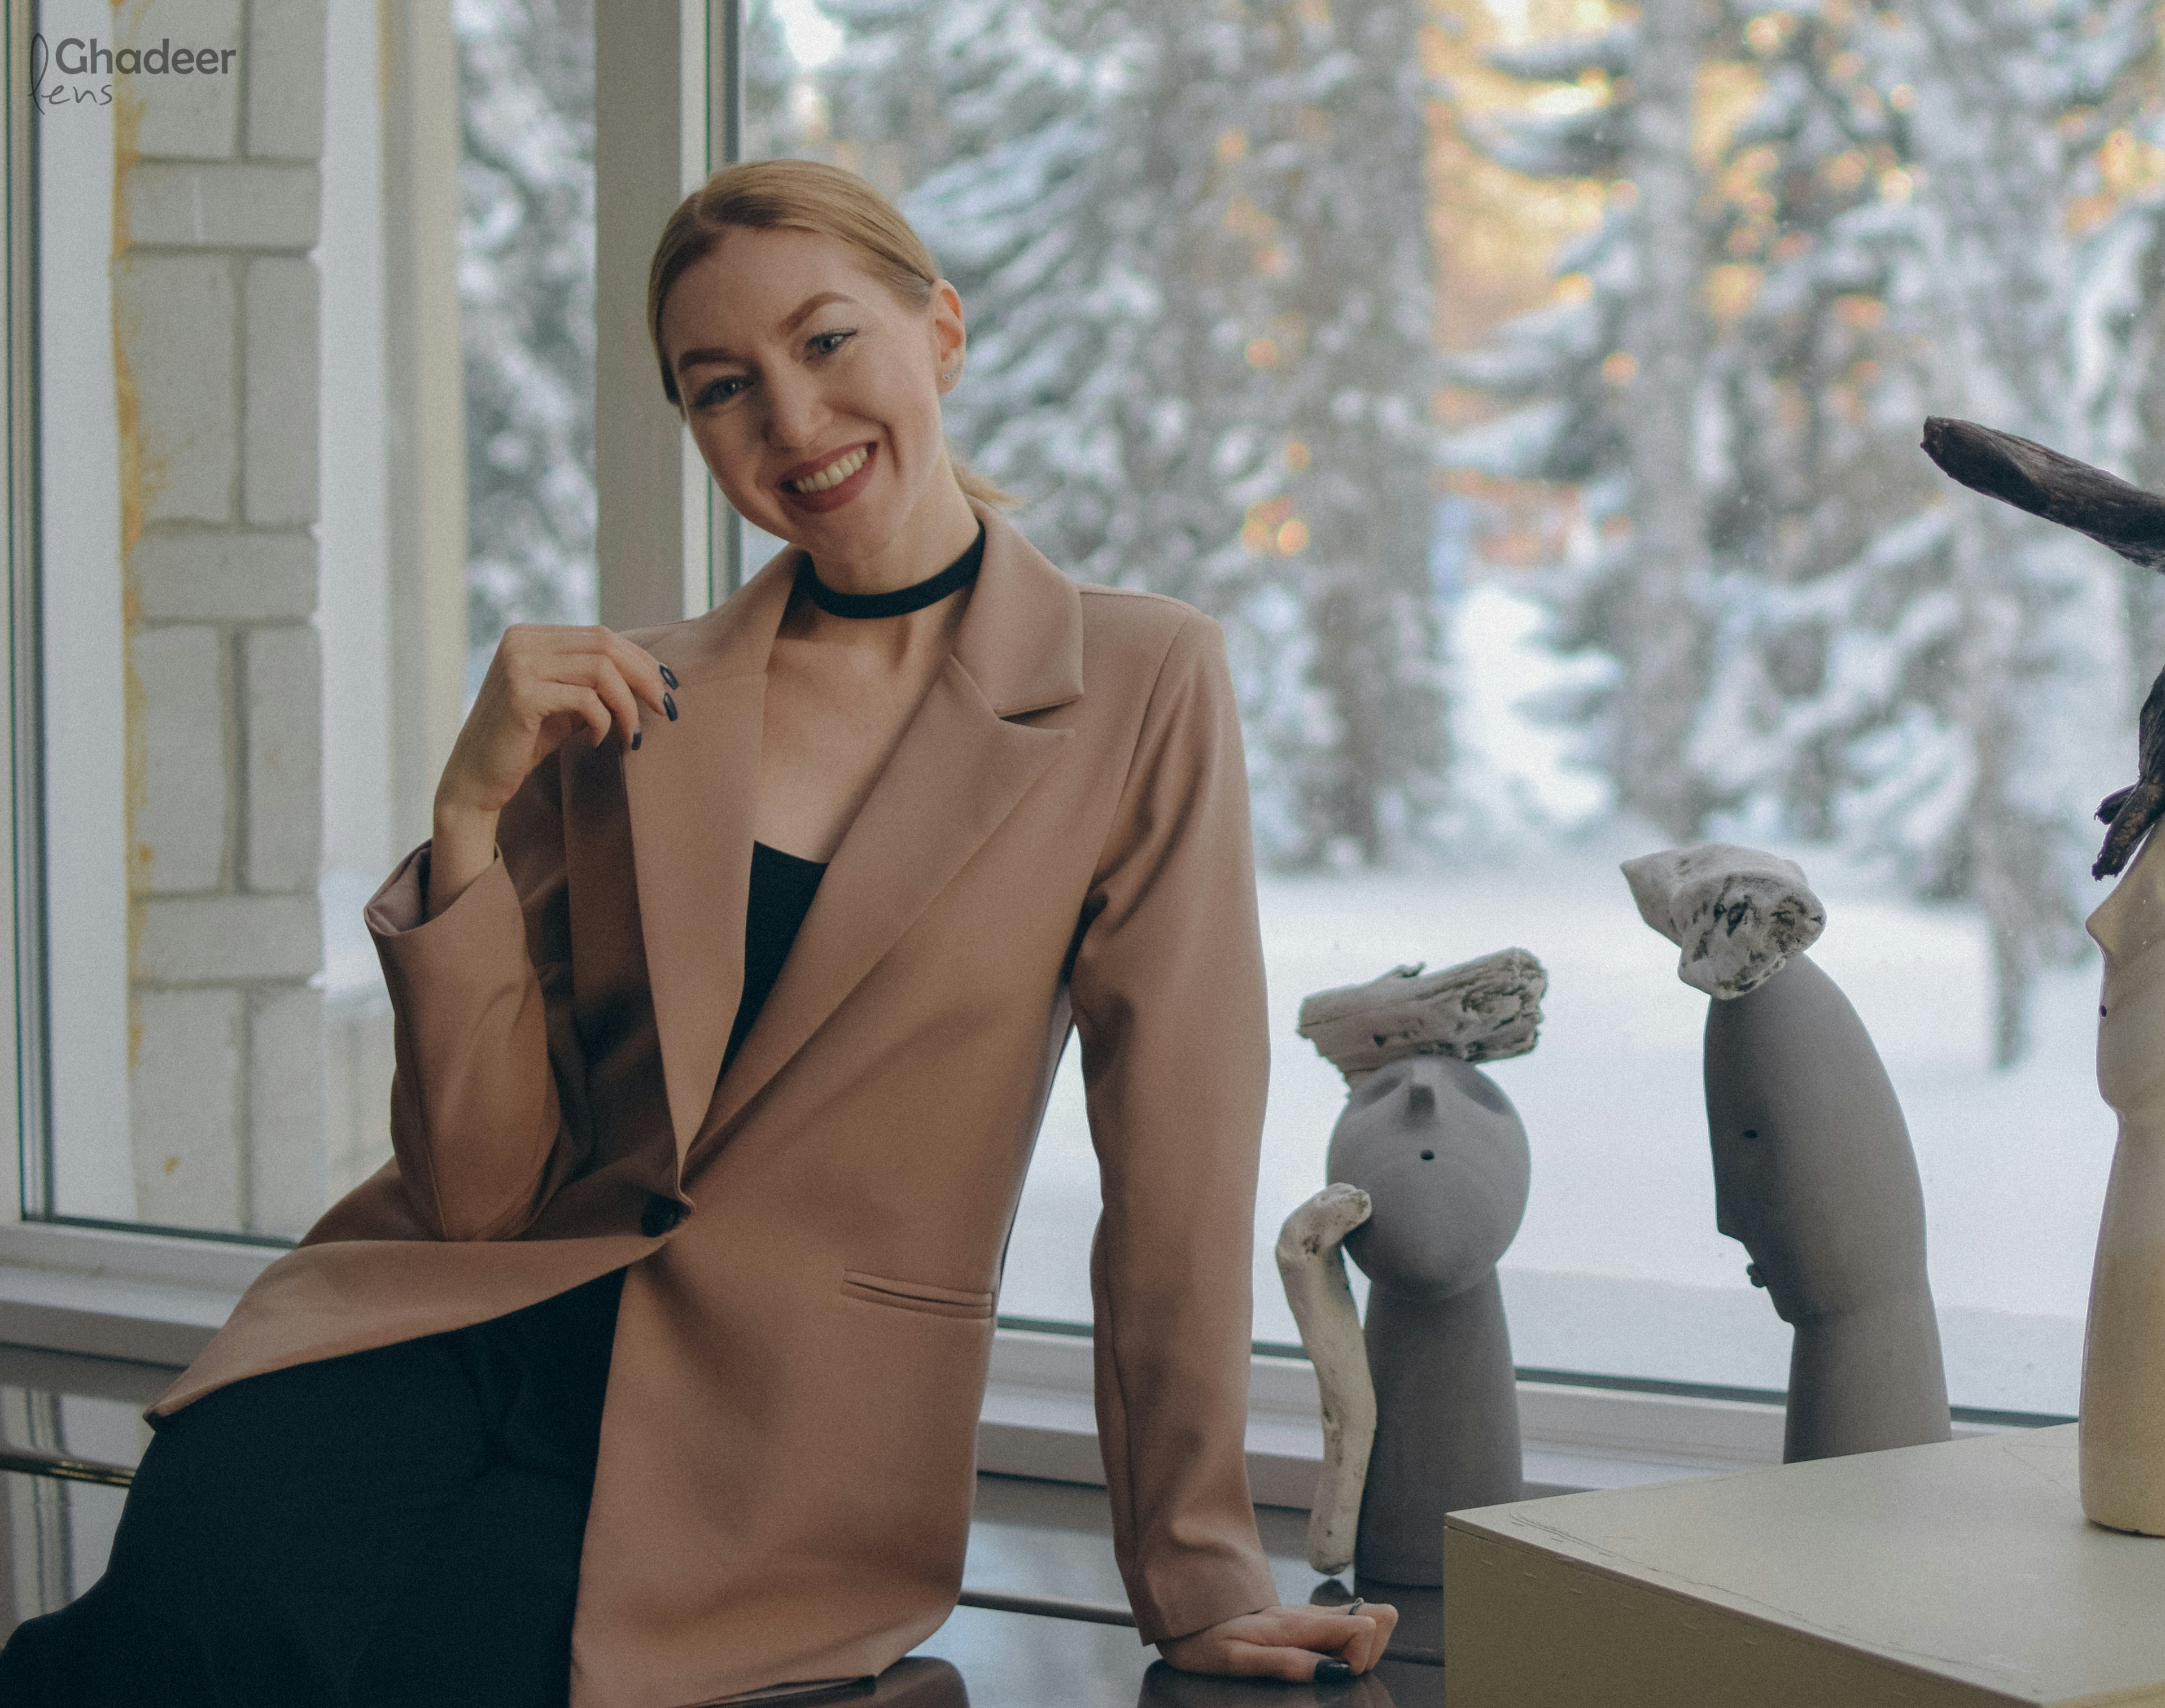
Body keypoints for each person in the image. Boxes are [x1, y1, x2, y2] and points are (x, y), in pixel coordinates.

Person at [0, 157, 1396, 1706]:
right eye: (722, 387)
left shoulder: (1140, 685)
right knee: (179, 1634)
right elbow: (478, 1197)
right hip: (456, 1337)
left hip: (776, 1448)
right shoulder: (628, 704)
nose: (791, 424)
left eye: (825, 342)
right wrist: (466, 824)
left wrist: (1199, 1577)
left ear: (939, 328)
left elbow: (1179, 1166)